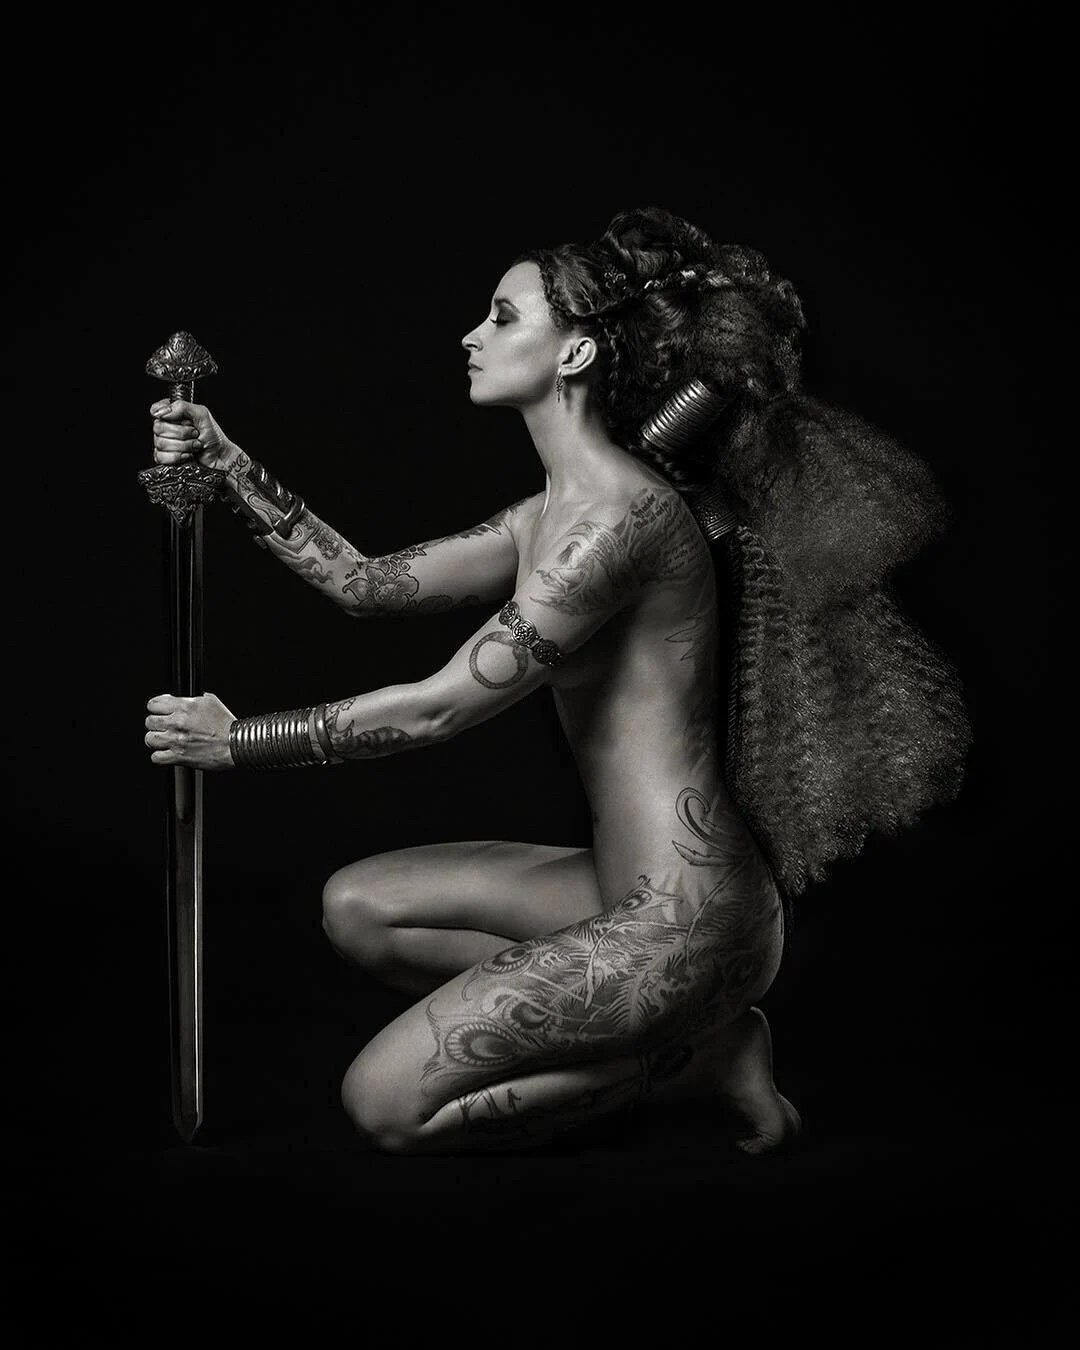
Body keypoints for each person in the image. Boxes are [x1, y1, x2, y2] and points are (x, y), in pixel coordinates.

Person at [144, 206, 970, 1154]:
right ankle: (658, 1027)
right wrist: (227, 462)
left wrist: (238, 741)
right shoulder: (549, 513)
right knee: (359, 909)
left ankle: (698, 1058)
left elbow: (441, 708)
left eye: (502, 317)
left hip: (691, 922)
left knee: (385, 1108)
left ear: (574, 354)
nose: (472, 335)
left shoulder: (619, 524)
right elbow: (365, 585)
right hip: (615, 887)